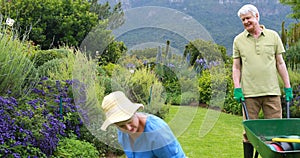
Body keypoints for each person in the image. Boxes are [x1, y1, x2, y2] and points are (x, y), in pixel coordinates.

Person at [232, 4, 293, 158]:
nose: (246, 22)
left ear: (257, 17)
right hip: (249, 94)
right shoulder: (238, 40)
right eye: (243, 20)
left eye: (248, 18)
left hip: (272, 92)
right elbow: (236, 67)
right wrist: (237, 87)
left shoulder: (273, 36)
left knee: (276, 131)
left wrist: (287, 87)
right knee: (249, 133)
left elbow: (280, 63)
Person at [100, 91, 186, 158]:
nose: (128, 128)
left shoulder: (157, 132)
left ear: (135, 112)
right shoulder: (122, 133)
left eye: (130, 121)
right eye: (121, 126)